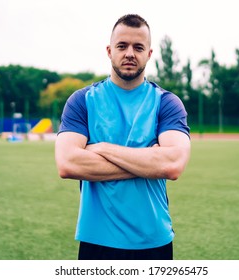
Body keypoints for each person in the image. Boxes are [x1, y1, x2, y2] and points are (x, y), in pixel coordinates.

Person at [55, 14, 191, 260]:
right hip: (96, 240)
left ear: (149, 53)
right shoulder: (82, 101)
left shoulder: (167, 103)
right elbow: (67, 163)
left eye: (138, 47)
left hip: (154, 241)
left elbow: (171, 165)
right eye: (122, 46)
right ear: (109, 50)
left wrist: (101, 148)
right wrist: (149, 161)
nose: (130, 53)